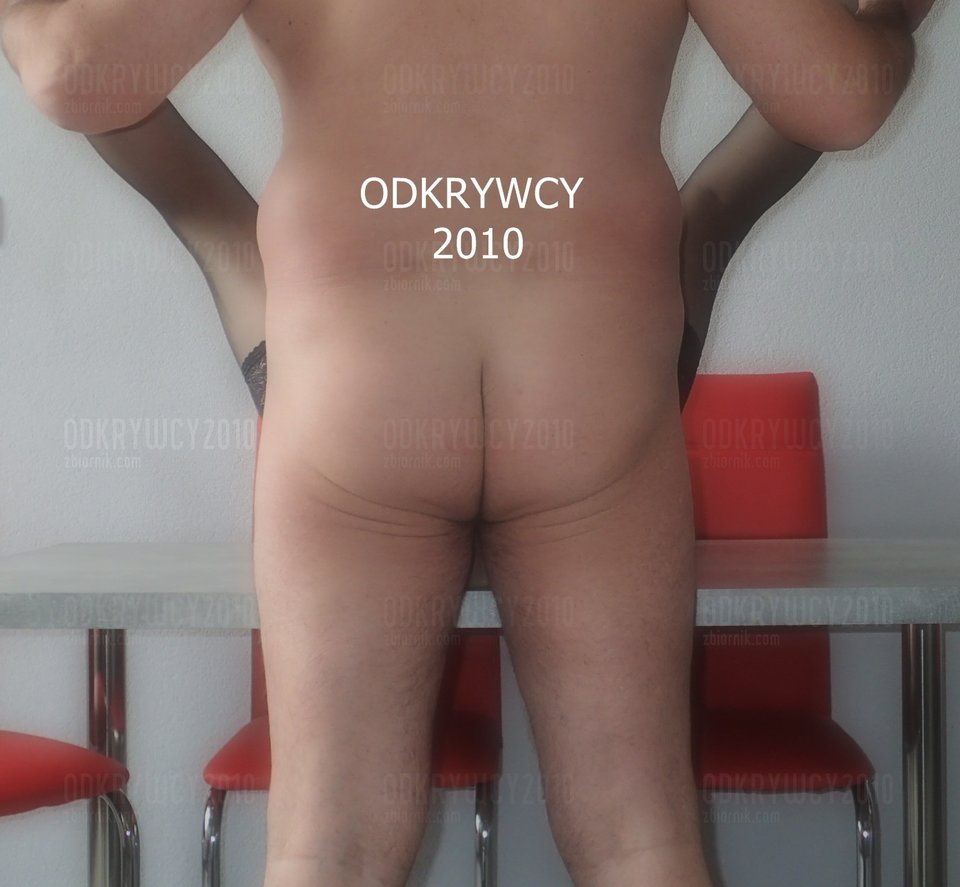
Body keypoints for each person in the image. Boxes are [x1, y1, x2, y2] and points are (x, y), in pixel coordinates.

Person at [1, 1, 934, 884]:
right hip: (587, 386)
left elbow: (76, 72)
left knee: (333, 846)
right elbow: (839, 97)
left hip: (362, 392)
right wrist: (892, 17)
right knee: (636, 836)